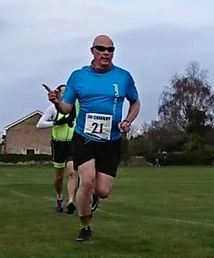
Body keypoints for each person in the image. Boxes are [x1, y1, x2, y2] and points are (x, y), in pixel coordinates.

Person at [47, 34, 140, 242]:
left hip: (111, 140)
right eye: (101, 49)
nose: (106, 53)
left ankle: (94, 197)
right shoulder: (78, 77)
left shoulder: (123, 77)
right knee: (86, 182)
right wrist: (57, 102)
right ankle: (85, 226)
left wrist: (128, 121)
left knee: (103, 190)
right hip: (84, 138)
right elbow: (66, 107)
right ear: (92, 51)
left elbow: (135, 102)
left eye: (110, 49)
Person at [37, 84, 79, 214]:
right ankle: (59, 197)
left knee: (72, 171)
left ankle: (71, 201)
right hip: (58, 144)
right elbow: (40, 124)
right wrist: (56, 123)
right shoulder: (53, 109)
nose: (66, 95)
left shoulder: (77, 107)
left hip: (72, 143)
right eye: (63, 93)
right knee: (59, 177)